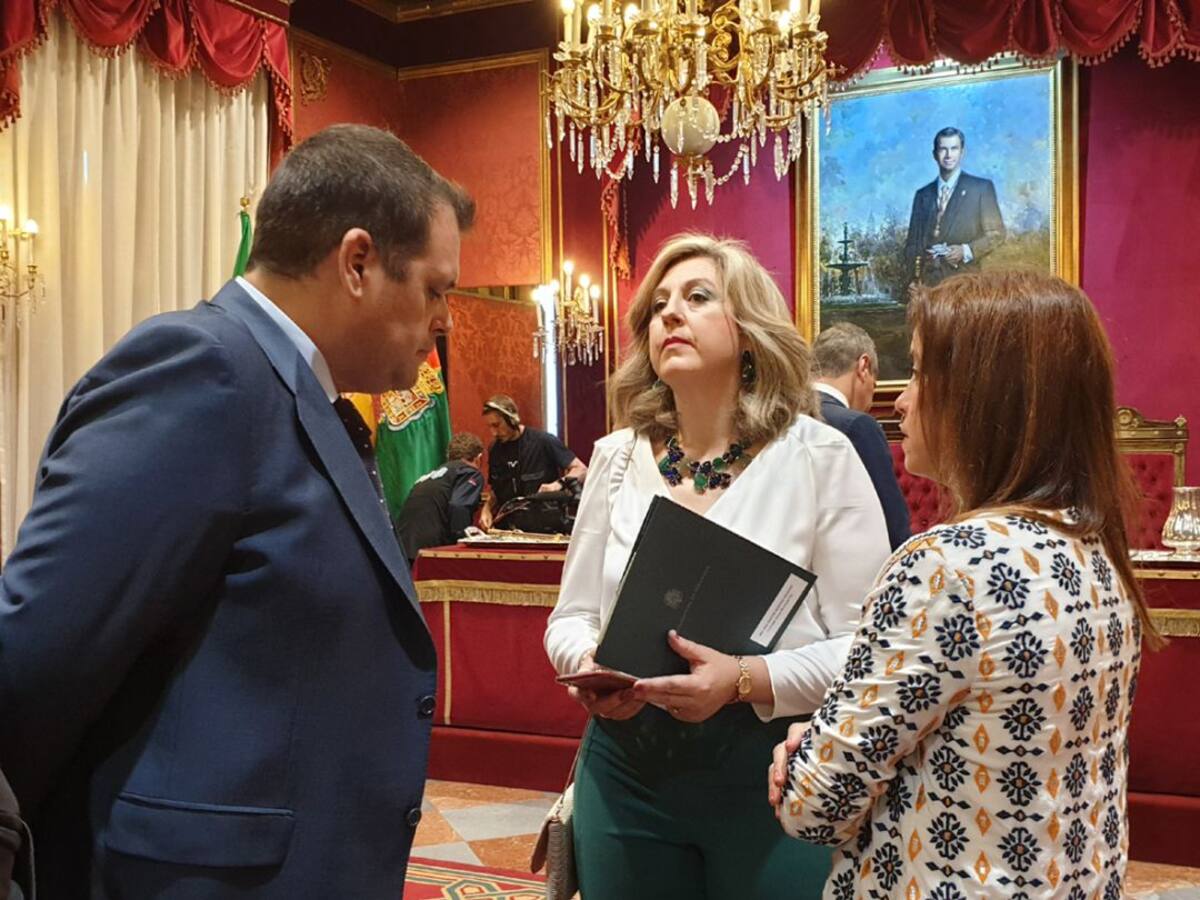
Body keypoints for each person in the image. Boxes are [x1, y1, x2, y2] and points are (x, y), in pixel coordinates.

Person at [0, 124, 474, 898]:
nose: (445, 319)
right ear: (357, 262)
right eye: (435, 288)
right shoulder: (205, 372)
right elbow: (36, 665)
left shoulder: (295, 390)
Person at [770, 271, 1158, 900]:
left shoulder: (947, 568)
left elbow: (816, 806)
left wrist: (803, 751)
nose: (902, 401)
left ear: (986, 396)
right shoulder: (1094, 547)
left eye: (919, 372)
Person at [544, 234, 890, 900]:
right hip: (626, 767)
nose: (670, 314)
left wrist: (743, 679)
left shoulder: (819, 456)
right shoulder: (615, 458)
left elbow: (868, 647)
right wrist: (587, 663)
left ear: (750, 332)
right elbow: (572, 616)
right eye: (658, 306)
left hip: (771, 770)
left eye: (698, 297)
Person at [813, 322, 911, 550]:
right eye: (874, 387)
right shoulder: (857, 426)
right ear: (863, 366)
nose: (870, 402)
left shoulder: (776, 417)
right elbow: (892, 523)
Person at [903, 127, 1005, 287]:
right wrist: (913, 280)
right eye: (943, 149)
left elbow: (997, 234)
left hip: (965, 286)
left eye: (954, 149)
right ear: (934, 154)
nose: (948, 155)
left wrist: (966, 250)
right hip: (928, 287)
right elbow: (912, 245)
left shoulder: (980, 188)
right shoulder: (922, 195)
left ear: (962, 152)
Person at [479, 394, 586, 530]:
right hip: (509, 529)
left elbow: (581, 469)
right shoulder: (495, 449)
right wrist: (486, 509)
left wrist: (558, 484)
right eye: (490, 427)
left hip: (545, 528)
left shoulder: (543, 441)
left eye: (497, 425)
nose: (494, 432)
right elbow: (496, 489)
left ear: (512, 419)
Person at [395, 431, 486, 564]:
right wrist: (463, 542)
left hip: (401, 545)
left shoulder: (430, 476)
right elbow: (459, 506)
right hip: (430, 549)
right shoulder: (469, 473)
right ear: (479, 458)